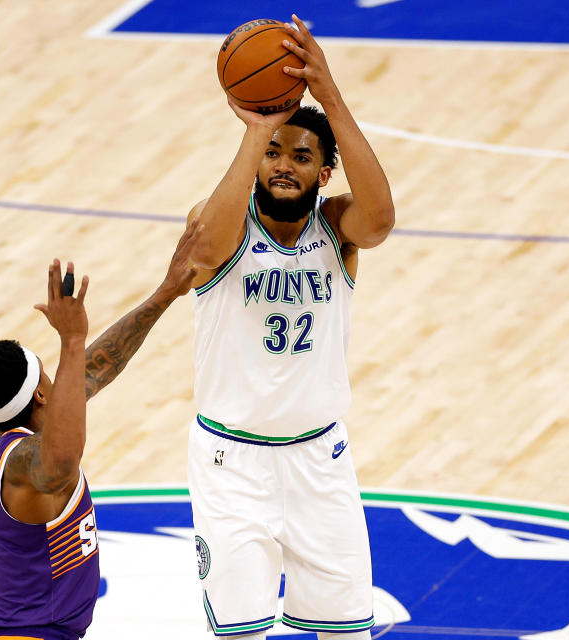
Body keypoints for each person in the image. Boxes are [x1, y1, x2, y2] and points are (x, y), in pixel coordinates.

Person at [186, 15, 395, 640]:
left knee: (343, 635)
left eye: (302, 156)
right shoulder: (220, 220)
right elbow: (209, 245)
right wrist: (259, 127)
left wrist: (328, 94)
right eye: (275, 153)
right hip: (233, 464)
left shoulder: (338, 230)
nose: (284, 164)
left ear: (324, 174)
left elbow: (381, 219)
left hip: (320, 462)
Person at [0, 221, 201, 640]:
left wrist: (165, 293)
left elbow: (93, 368)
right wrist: (70, 339)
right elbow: (61, 460)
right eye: (49, 376)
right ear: (39, 395)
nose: (62, 380)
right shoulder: (22, 467)